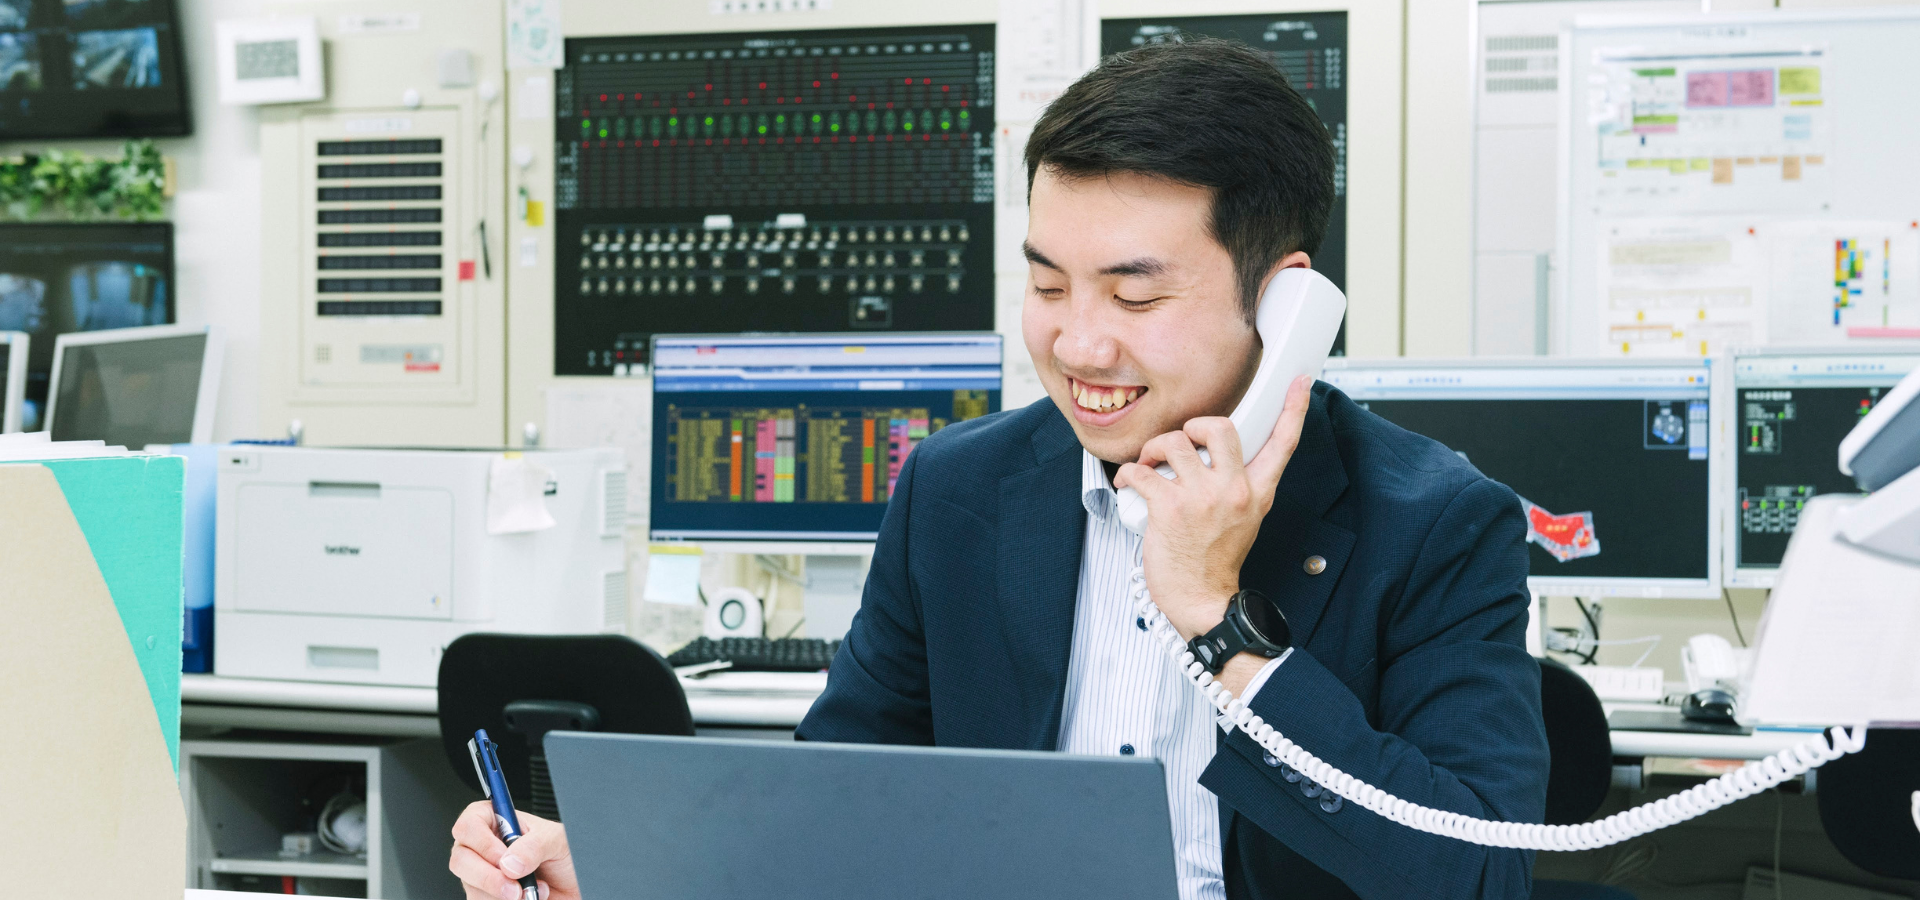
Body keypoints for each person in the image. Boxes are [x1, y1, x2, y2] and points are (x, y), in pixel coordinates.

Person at [450, 38, 1548, 900]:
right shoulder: (959, 491)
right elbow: (834, 811)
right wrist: (631, 874)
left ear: (1283, 302)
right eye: (1049, 285)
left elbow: (1476, 874)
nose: (1077, 345)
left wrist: (1223, 625)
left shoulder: (1439, 521)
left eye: (1134, 296)